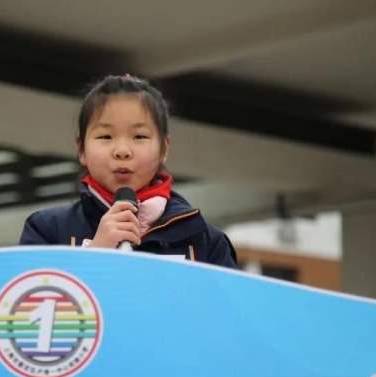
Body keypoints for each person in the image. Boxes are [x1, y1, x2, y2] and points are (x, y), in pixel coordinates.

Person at [19, 74, 238, 269]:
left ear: (164, 149)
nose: (122, 151)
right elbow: (27, 299)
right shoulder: (47, 231)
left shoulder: (206, 241)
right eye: (105, 136)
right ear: (81, 149)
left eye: (139, 136)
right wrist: (95, 255)